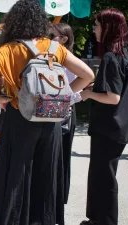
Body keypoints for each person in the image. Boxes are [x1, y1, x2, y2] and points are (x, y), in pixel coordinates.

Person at [0, 1, 94, 224]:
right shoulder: (54, 48)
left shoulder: (9, 49)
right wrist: (65, 98)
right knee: (46, 171)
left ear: (14, 22)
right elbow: (88, 75)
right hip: (50, 117)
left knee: (15, 172)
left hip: (19, 115)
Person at [79, 8, 128, 225]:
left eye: (97, 25)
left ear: (108, 27)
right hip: (122, 125)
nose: (94, 30)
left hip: (109, 127)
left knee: (104, 178)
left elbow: (113, 97)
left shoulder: (111, 56)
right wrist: (97, 86)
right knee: (101, 175)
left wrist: (88, 94)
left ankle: (105, 221)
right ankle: (96, 218)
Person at [49, 22, 77, 205]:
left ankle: (56, 199)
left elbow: (78, 88)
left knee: (60, 157)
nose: (47, 40)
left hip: (64, 112)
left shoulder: (67, 58)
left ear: (64, 39)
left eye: (52, 36)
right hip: (54, 111)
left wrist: (62, 99)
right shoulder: (52, 57)